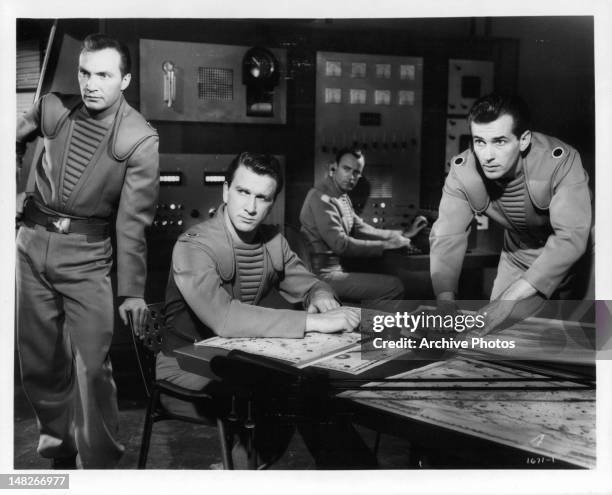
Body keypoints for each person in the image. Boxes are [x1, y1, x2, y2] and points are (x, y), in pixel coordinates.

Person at [156, 151, 372, 469]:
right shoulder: (194, 243)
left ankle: (351, 477)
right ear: (226, 190)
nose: (251, 207)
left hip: (238, 359)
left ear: (272, 202)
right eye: (243, 192)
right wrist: (314, 321)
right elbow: (224, 318)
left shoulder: (272, 241)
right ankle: (252, 464)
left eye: (262, 197)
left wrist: (320, 295)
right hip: (186, 365)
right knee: (295, 390)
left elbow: (309, 282)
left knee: (313, 385)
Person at [16, 33, 159, 468]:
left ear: (125, 79)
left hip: (88, 257)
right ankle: (59, 453)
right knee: (40, 364)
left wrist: (131, 292)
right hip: (30, 247)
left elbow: (133, 222)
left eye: (104, 74)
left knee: (92, 369)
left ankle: (99, 467)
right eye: (84, 72)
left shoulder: (140, 138)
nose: (91, 83)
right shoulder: (52, 107)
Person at [429, 93, 592, 334]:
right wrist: (445, 300)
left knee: (582, 338)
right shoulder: (463, 171)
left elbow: (570, 238)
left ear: (524, 139)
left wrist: (508, 301)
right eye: (479, 141)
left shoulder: (560, 160)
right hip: (519, 250)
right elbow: (447, 236)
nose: (487, 155)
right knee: (492, 335)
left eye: (500, 141)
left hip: (581, 250)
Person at [299, 147, 427, 303]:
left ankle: (367, 322)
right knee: (394, 286)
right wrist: (388, 245)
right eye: (346, 169)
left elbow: (361, 228)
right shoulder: (321, 197)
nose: (351, 177)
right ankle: (367, 325)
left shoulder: (342, 196)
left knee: (389, 276)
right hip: (321, 276)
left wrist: (402, 234)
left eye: (356, 172)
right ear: (334, 167)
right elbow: (341, 245)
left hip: (335, 270)